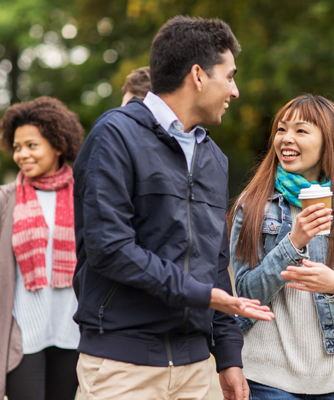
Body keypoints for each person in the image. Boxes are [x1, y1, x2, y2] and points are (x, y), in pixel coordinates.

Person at [72, 16, 274, 400]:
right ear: (198, 75)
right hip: (122, 368)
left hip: (196, 370)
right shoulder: (115, 136)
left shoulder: (214, 158)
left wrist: (228, 356)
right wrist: (200, 294)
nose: (235, 91)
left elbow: (215, 264)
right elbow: (110, 249)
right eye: (229, 76)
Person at [229, 94, 334, 399]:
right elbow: (247, 293)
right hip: (267, 377)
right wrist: (293, 243)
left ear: (329, 141)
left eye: (301, 131)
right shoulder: (252, 206)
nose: (286, 139)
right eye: (281, 129)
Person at [0, 96, 84, 400]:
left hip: (69, 331)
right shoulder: (6, 199)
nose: (22, 154)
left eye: (32, 145)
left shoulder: (83, 195)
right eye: (17, 147)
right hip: (23, 338)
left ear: (58, 145)